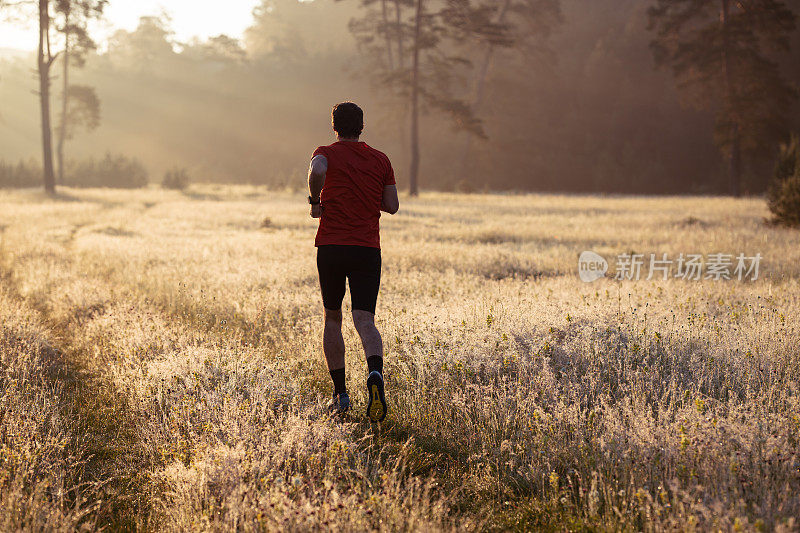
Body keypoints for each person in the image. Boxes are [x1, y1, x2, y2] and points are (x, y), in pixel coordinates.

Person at [307, 102, 399, 422]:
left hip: (332, 246)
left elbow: (317, 170)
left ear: (334, 126)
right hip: (366, 249)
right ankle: (375, 373)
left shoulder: (325, 152)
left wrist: (315, 201)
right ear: (362, 126)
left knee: (333, 319)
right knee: (365, 319)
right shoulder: (381, 159)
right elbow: (392, 205)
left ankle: (341, 396)